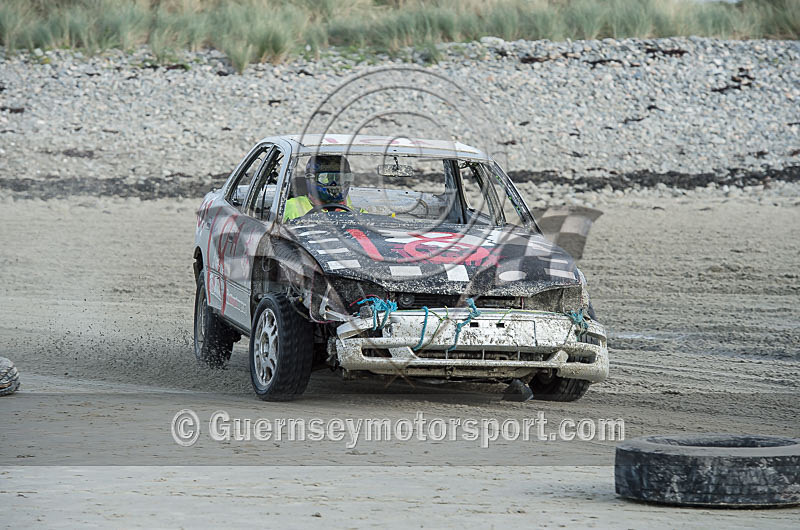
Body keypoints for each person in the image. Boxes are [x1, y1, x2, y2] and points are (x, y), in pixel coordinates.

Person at [284, 155, 359, 221]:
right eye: (324, 179)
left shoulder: (357, 213)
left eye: (339, 179)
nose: (333, 184)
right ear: (311, 179)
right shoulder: (292, 207)